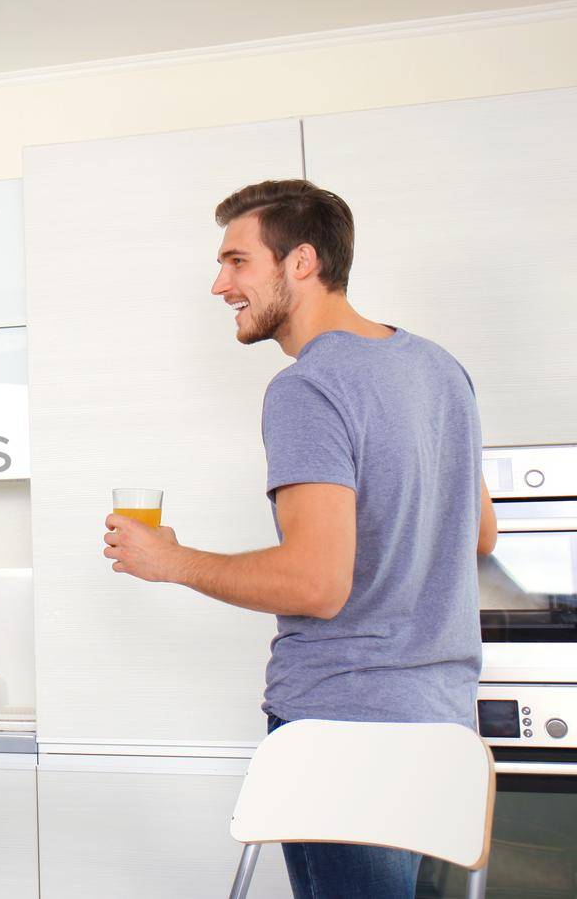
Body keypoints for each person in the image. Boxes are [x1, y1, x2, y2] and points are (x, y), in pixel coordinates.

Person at [102, 180, 495, 898]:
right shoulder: (441, 371)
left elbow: (317, 585)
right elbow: (478, 532)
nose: (221, 284)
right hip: (442, 724)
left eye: (237, 261)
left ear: (302, 262)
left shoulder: (310, 387)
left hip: (343, 731)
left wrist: (172, 561)